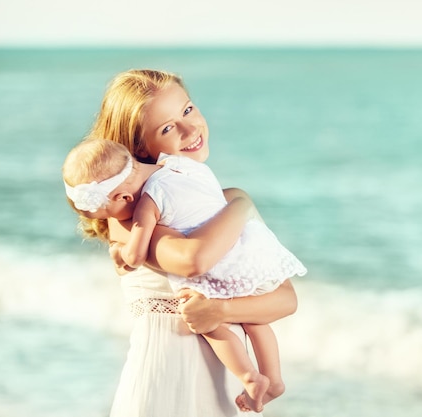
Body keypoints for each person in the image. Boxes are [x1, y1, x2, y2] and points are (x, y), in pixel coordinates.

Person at [67, 69, 299, 417]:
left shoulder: (217, 208)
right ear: (138, 148)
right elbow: (194, 260)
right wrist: (242, 204)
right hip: (165, 383)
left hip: (224, 386)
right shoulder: (129, 217)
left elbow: (284, 299)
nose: (190, 130)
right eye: (167, 127)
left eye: (187, 110)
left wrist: (222, 311)